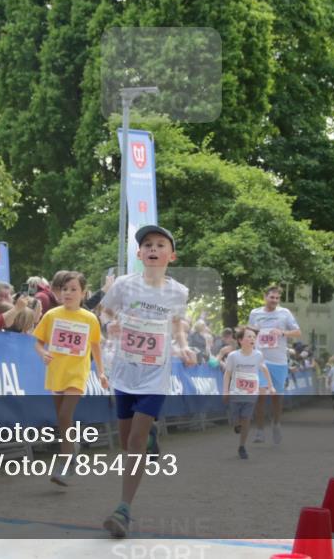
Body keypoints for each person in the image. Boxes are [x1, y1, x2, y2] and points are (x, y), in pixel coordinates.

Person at [99, 225, 194, 538]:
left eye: (160, 244)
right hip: (125, 372)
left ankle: (123, 508)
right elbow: (105, 312)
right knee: (128, 443)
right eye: (148, 245)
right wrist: (111, 323)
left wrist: (183, 345)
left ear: (171, 254)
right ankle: (149, 433)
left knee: (136, 442)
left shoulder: (177, 292)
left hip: (155, 375)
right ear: (139, 254)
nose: (153, 249)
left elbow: (178, 323)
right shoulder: (125, 285)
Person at [33, 270, 108, 485]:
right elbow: (37, 341)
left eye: (73, 289)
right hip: (57, 372)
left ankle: (65, 464)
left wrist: (101, 372)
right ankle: (72, 452)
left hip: (77, 373)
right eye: (65, 289)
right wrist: (42, 352)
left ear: (83, 293)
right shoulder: (52, 315)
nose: (68, 293)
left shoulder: (90, 318)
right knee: (62, 419)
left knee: (66, 415)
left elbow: (95, 346)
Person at [247, 286, 301, 444]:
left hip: (279, 362)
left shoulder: (285, 313)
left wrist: (283, 333)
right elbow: (250, 332)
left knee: (277, 398)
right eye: (272, 297)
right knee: (260, 397)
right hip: (260, 361)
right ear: (265, 297)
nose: (275, 301)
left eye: (277, 298)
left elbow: (298, 332)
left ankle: (276, 424)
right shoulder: (255, 313)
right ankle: (259, 430)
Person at [222, 325, 273, 460]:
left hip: (251, 394)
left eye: (254, 337)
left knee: (246, 420)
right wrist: (225, 391)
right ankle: (236, 424)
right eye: (249, 337)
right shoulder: (233, 356)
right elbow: (227, 374)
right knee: (235, 419)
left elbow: (265, 369)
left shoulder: (258, 355)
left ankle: (242, 446)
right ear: (240, 340)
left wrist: (270, 386)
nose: (252, 339)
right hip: (235, 393)